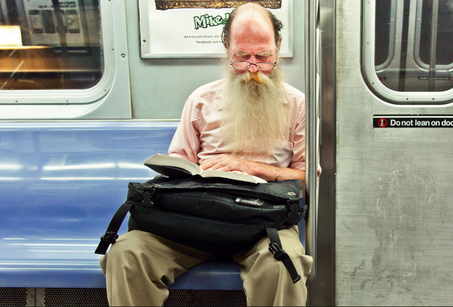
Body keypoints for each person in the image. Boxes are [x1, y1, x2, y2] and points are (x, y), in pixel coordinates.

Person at [100, 3, 319, 306]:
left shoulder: (297, 105)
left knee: (284, 263)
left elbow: (308, 181)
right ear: (227, 46)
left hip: (261, 226)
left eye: (263, 57)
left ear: (278, 47)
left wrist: (247, 167)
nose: (253, 68)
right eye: (242, 57)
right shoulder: (201, 100)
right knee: (126, 254)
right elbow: (177, 171)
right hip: (194, 224)